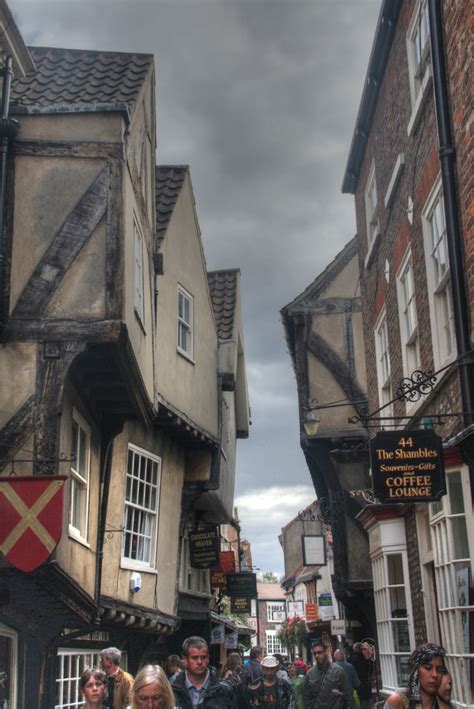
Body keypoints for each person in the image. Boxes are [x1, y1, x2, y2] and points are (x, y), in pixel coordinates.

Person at [171, 636, 235, 709]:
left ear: (208, 658)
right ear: (185, 659)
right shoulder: (173, 691)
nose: (200, 662)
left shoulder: (223, 690)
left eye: (203, 657)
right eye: (194, 658)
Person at [384, 643, 447, 708]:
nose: (435, 675)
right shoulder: (397, 701)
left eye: (439, 670)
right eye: (428, 668)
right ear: (416, 670)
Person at [303, 639, 354, 709]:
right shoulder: (310, 674)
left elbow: (348, 696)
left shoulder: (338, 671)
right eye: (315, 653)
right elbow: (306, 698)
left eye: (319, 652)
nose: (317, 655)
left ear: (326, 652)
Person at [348, 643, 372, 709]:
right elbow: (370, 672)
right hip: (365, 689)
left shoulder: (350, 660)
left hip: (355, 689)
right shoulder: (365, 659)